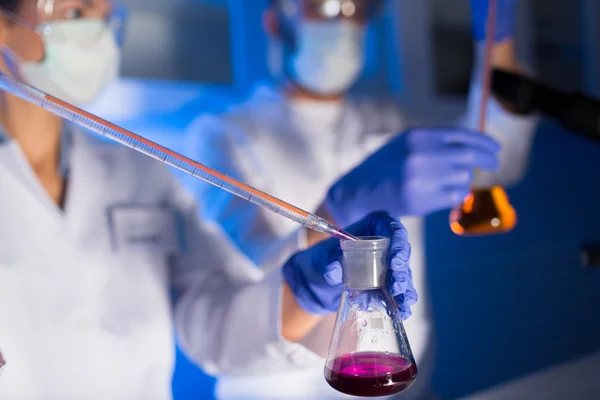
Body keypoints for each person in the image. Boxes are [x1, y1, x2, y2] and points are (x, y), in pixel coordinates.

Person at [0, 1, 418, 398]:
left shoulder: (140, 172)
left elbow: (214, 322)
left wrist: (303, 288)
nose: (97, 37)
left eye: (106, 17)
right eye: (74, 11)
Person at [184, 0, 538, 399]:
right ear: (274, 21)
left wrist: (498, 44)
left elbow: (494, 160)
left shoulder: (391, 123)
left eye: (356, 10)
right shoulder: (220, 136)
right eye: (325, 7)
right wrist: (338, 208)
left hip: (401, 387)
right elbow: (253, 281)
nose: (344, 23)